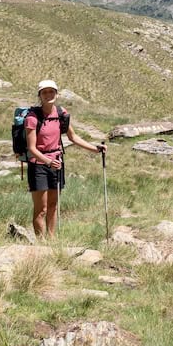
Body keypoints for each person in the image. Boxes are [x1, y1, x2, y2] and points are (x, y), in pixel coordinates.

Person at [25, 79, 104, 239]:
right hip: (38, 165)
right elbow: (31, 149)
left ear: (57, 93)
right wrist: (47, 161)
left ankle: (52, 240)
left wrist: (95, 149)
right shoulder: (32, 118)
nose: (48, 95)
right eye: (44, 92)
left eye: (51, 91)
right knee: (41, 209)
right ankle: (42, 244)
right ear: (39, 95)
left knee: (53, 205)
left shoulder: (61, 114)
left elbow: (73, 137)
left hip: (57, 163)